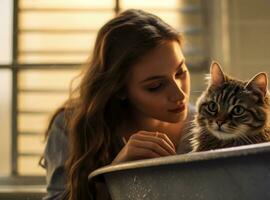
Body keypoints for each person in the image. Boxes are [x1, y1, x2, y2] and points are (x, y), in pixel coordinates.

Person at [41, 9, 196, 200]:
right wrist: (115, 174)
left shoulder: (209, 127)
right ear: (120, 89)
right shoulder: (70, 126)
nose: (179, 94)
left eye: (180, 72)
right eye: (155, 86)